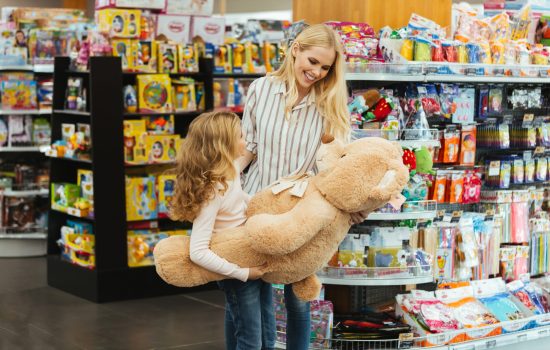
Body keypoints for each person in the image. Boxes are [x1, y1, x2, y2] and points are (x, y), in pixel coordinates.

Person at [239, 23, 368, 350]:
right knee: (251, 296)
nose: (317, 72)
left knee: (299, 299)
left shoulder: (331, 103)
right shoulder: (260, 89)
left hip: (302, 214)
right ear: (295, 49)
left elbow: (338, 162)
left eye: (325, 67)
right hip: (255, 203)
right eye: (312, 62)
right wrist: (224, 187)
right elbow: (248, 146)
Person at [169, 111, 270, 350]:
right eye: (240, 137)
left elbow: (237, 200)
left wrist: (259, 205)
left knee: (267, 334)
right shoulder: (212, 190)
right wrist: (243, 273)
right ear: (222, 144)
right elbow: (198, 251)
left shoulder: (230, 171)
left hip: (251, 260)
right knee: (250, 339)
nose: (245, 143)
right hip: (237, 272)